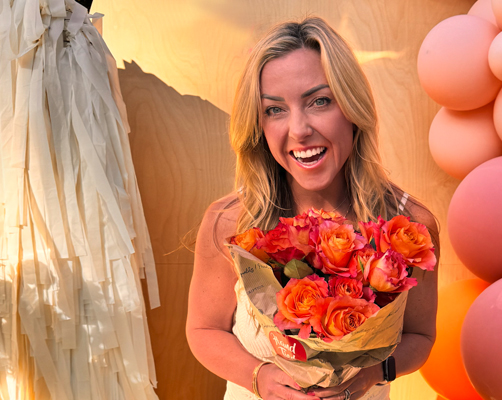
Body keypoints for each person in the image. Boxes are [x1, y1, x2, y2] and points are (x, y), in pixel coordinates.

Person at [186, 17, 439, 400]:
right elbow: (203, 330)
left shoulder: (410, 230)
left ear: (352, 107)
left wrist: (372, 373)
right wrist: (259, 378)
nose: (299, 129)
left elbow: (420, 336)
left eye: (319, 101)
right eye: (275, 109)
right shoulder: (231, 223)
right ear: (258, 124)